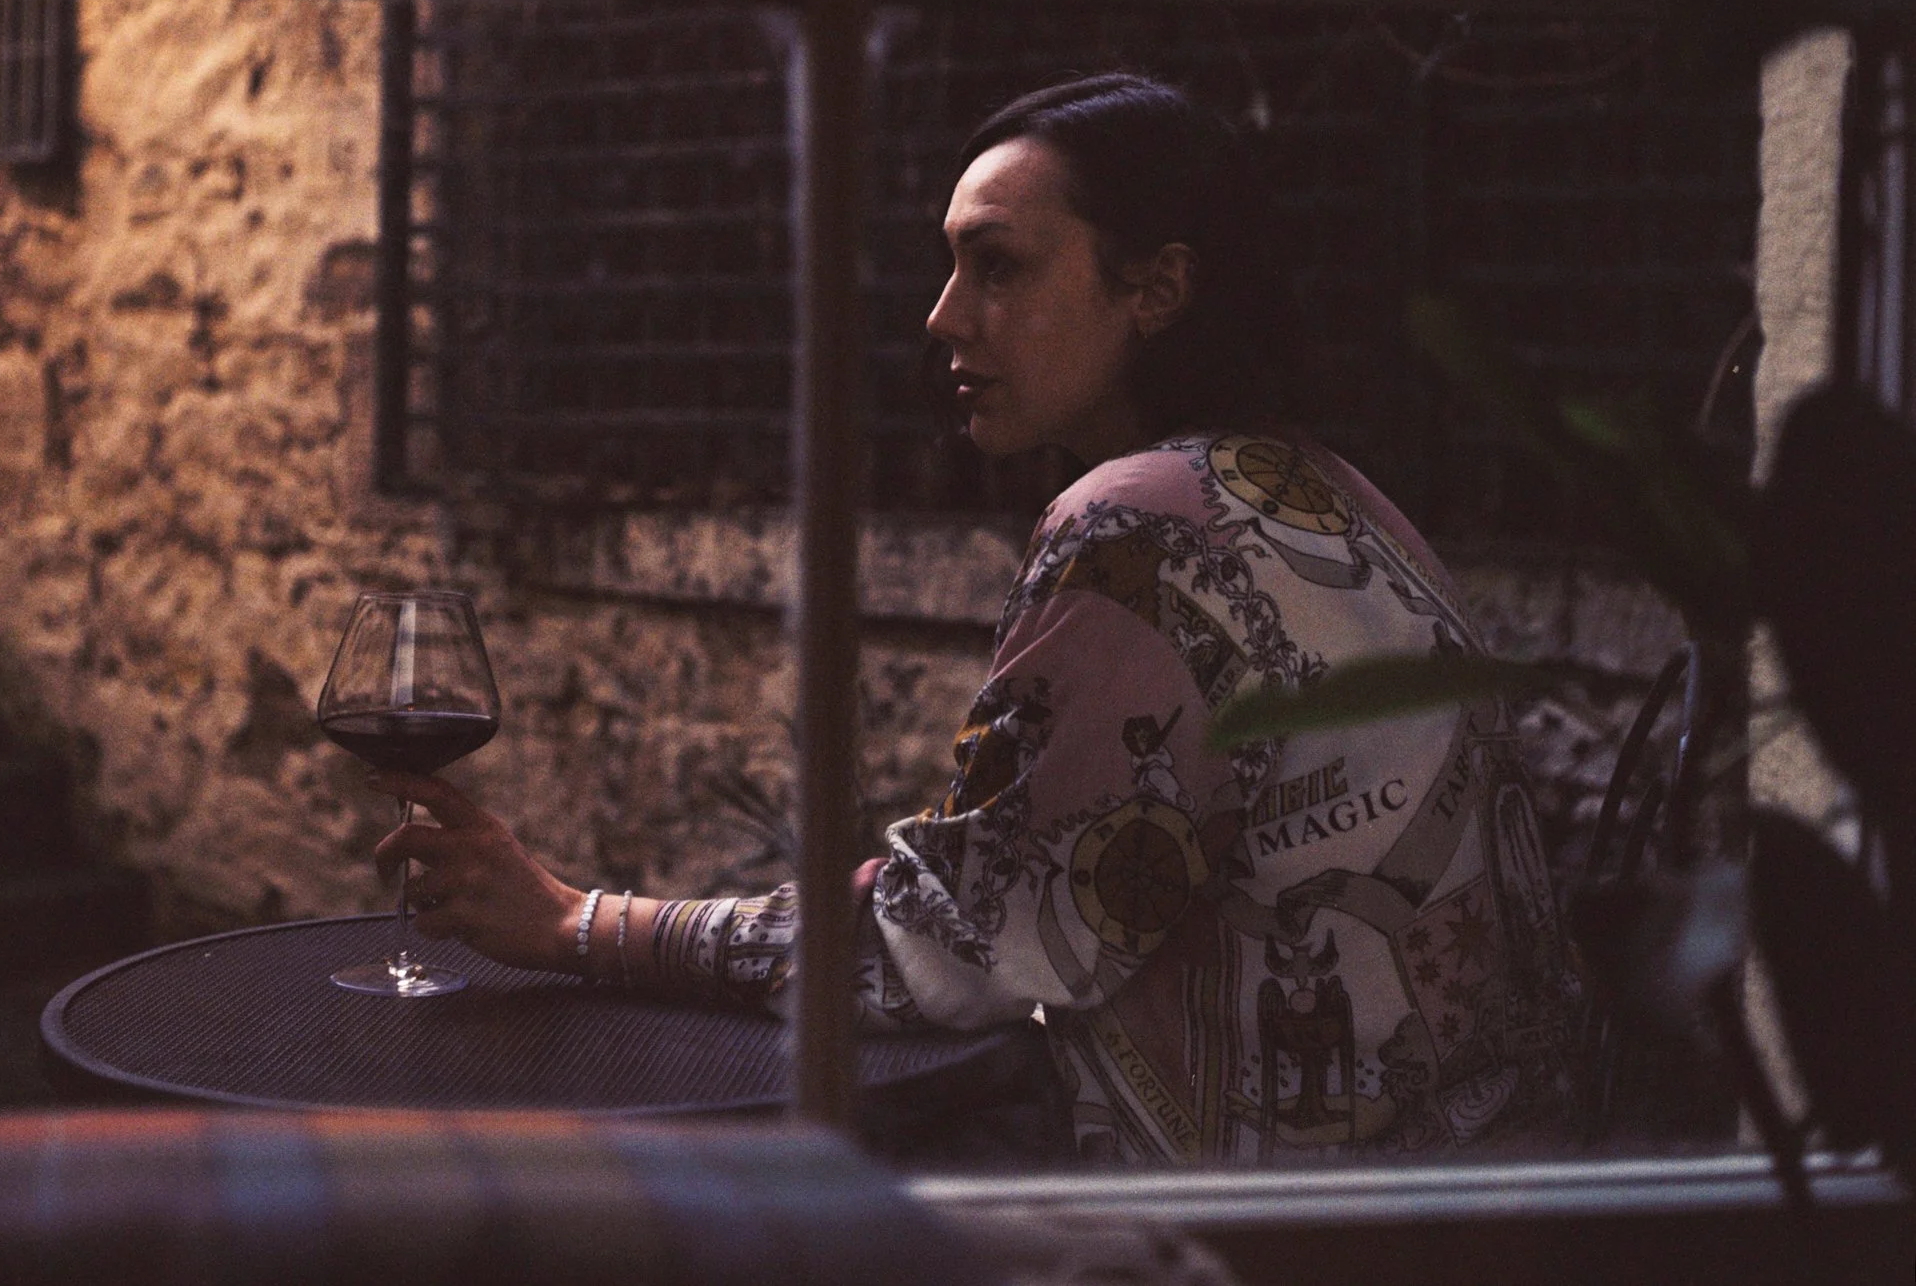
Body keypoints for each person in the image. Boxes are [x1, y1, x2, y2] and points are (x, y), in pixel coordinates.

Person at [373, 75, 1579, 1165]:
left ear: (1157, 287)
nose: (946, 317)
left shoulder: (1135, 525)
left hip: (1274, 1235)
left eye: (997, 267)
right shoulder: (1322, 487)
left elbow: (940, 946)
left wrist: (578, 920)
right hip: (1491, 1193)